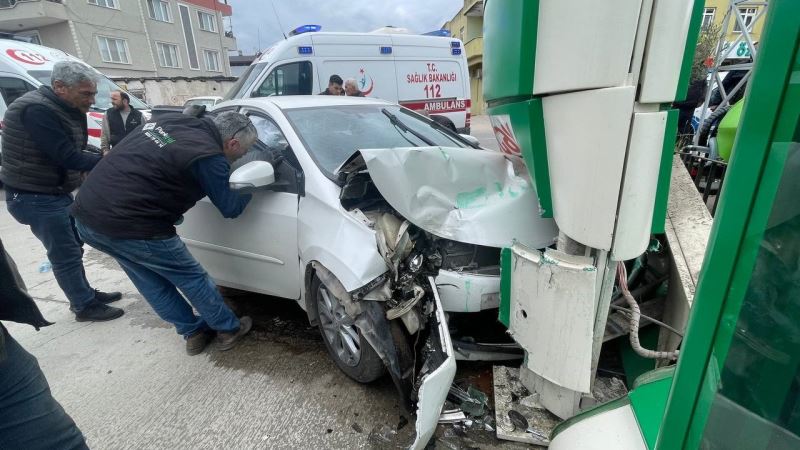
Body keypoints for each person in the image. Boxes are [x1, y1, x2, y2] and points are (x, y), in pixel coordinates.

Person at [72, 110, 258, 355]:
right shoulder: (209, 156)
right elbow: (231, 207)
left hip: (87, 215)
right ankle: (228, 329)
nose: (243, 156)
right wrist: (252, 187)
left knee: (149, 280)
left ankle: (193, 333)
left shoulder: (169, 120)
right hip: (134, 223)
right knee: (191, 278)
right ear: (232, 143)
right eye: (244, 151)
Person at [0, 61, 124, 323]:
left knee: (74, 246)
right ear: (60, 87)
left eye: (92, 93)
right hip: (34, 196)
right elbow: (67, 156)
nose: (91, 100)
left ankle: (85, 294)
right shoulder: (37, 110)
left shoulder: (62, 106)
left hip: (52, 192)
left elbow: (75, 147)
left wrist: (102, 154)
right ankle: (83, 306)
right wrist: (112, 160)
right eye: (86, 94)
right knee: (64, 253)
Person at [0, 238, 89, 450]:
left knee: (64, 443)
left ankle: (86, 299)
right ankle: (84, 304)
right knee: (64, 256)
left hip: (5, 362)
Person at [99, 90, 143, 154]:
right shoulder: (108, 114)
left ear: (125, 101)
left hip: (135, 153)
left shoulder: (139, 115)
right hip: (116, 153)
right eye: (111, 99)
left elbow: (143, 136)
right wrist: (105, 150)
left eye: (114, 99)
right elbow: (105, 135)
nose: (112, 102)